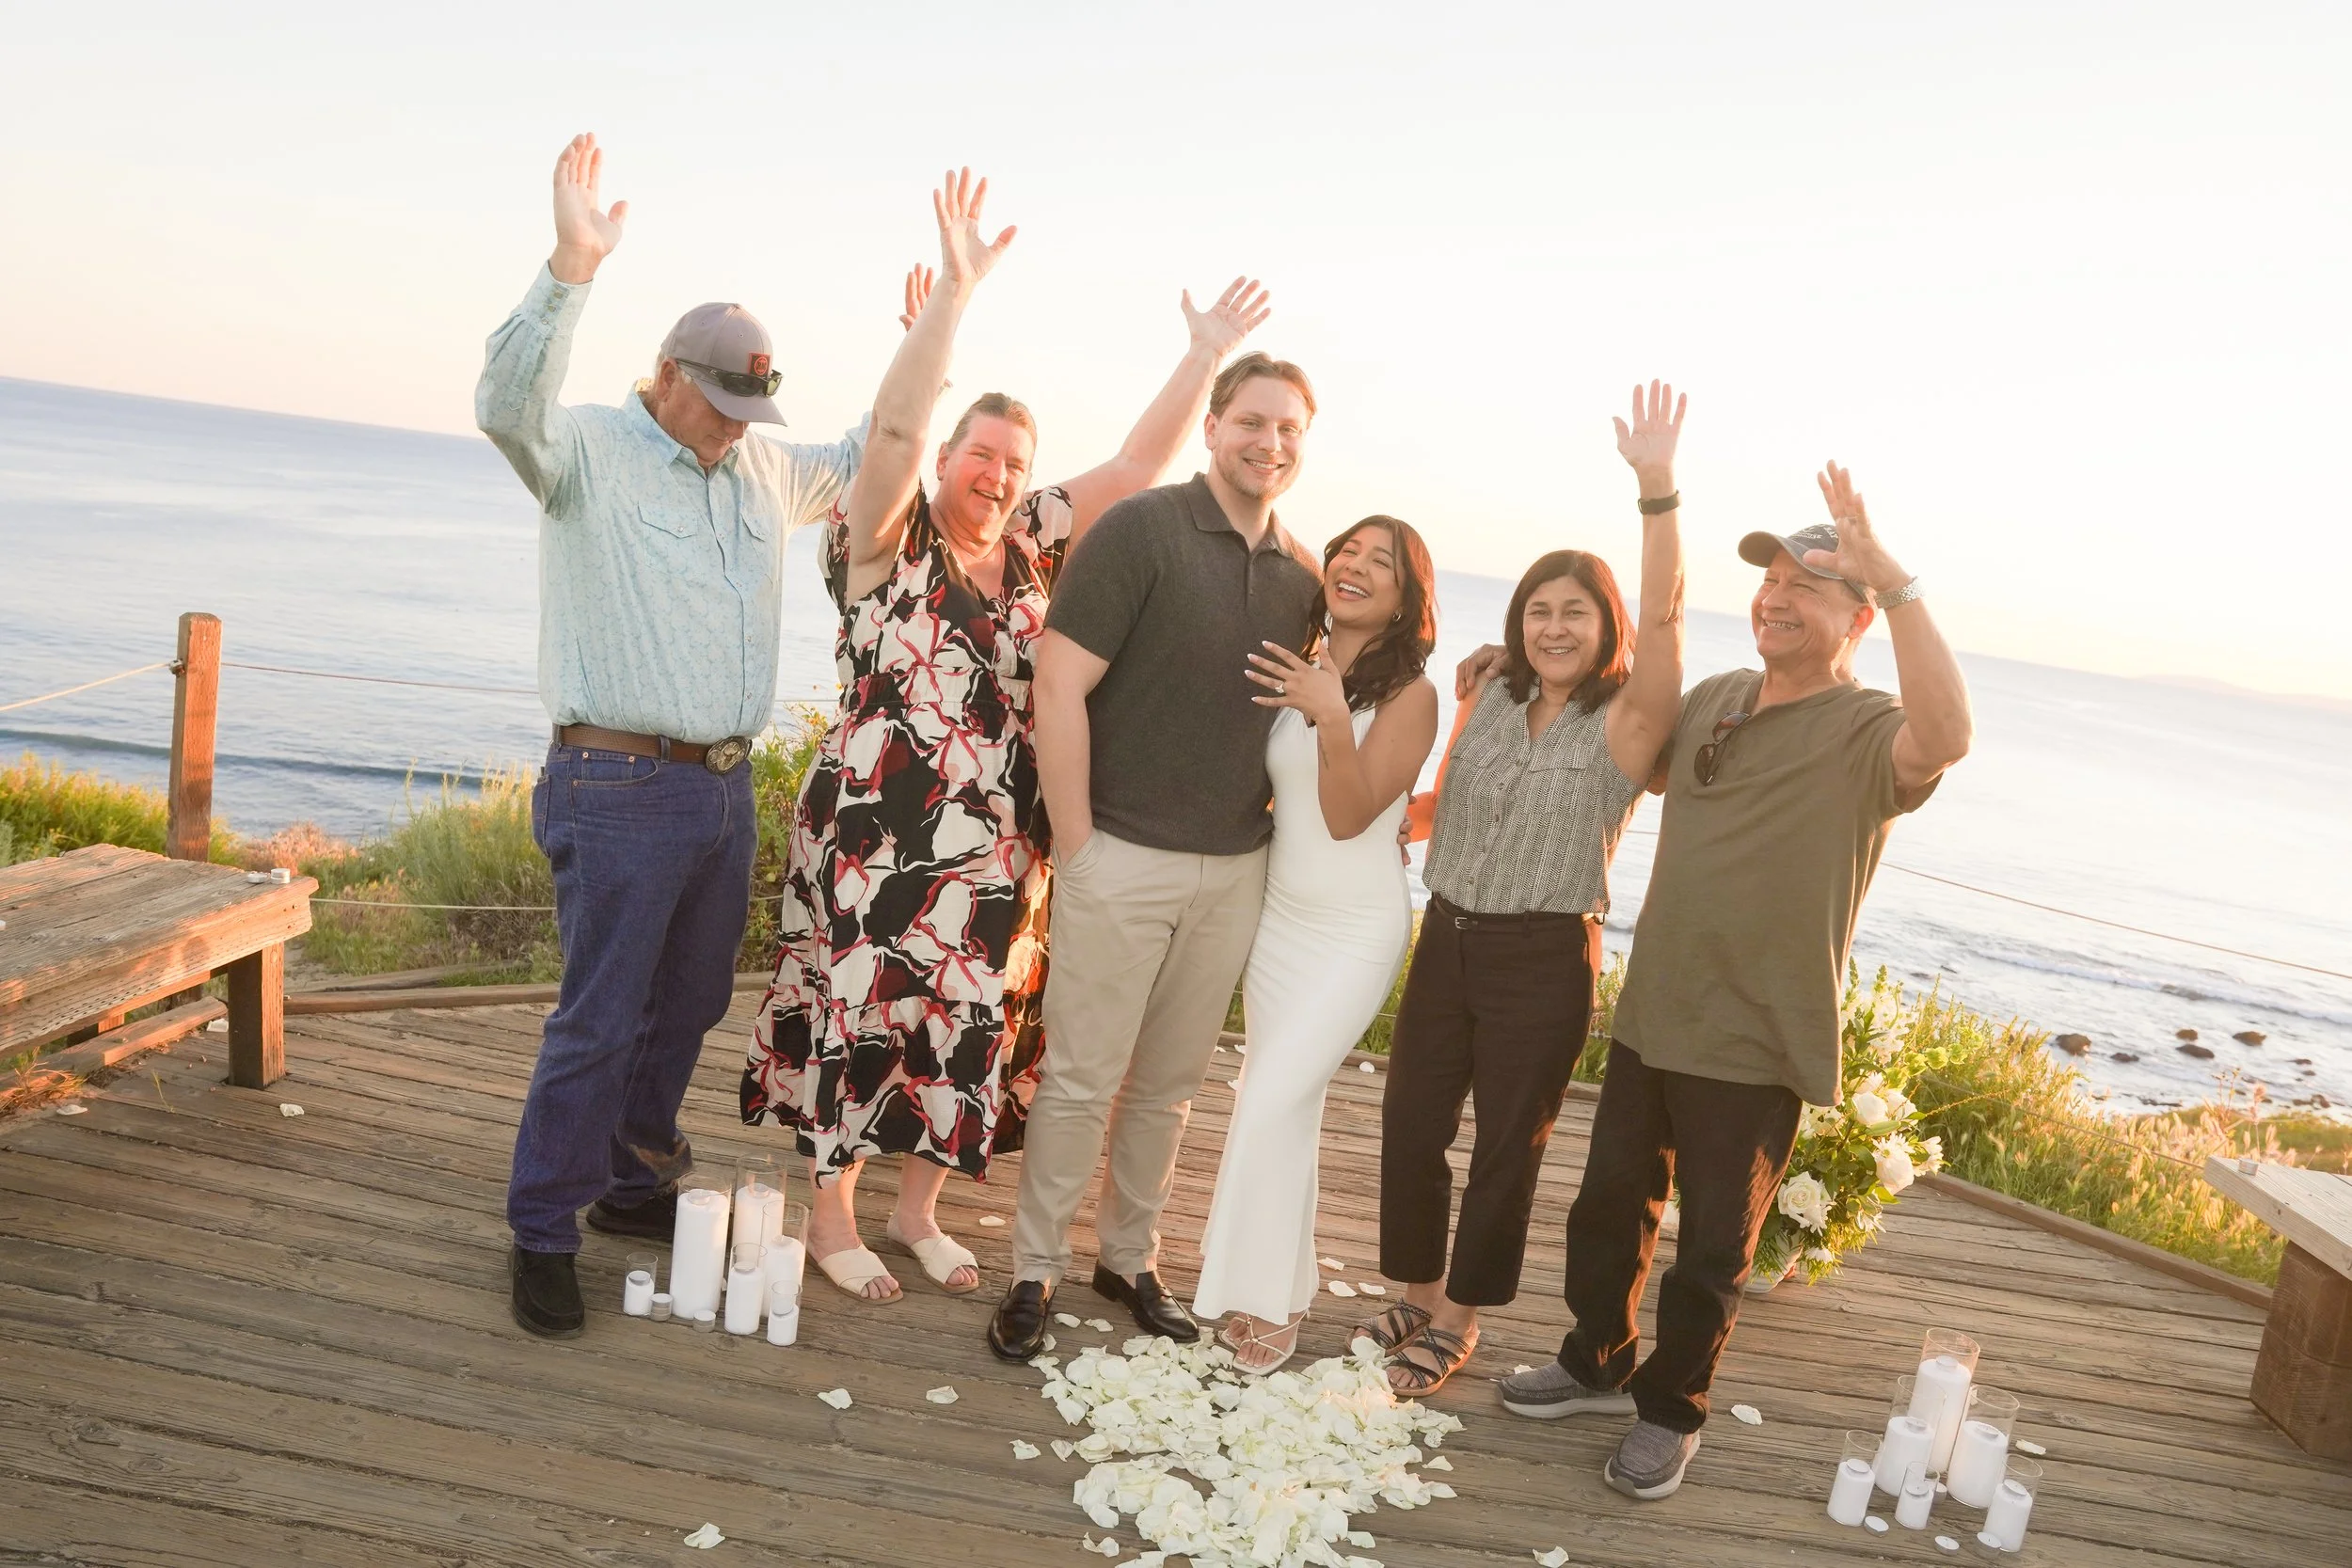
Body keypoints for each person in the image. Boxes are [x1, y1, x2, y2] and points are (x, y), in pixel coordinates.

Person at [742, 167, 1275, 1303]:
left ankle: (918, 1208)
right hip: (875, 837)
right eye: (978, 454)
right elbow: (889, 421)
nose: (995, 476)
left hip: (998, 847)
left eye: (1014, 463)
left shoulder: (1035, 546)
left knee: (967, 1022)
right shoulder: (879, 538)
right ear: (944, 459)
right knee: (858, 1008)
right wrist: (954, 300)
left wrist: (1202, 354)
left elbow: (1134, 470)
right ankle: (831, 1213)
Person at [1496, 460, 1973, 1502]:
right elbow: (1622, 730)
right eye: (1769, 578)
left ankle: (1671, 1412)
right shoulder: (1715, 696)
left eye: (1809, 584)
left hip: (1757, 1035)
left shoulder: (1868, 729)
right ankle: (1594, 1360)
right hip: (1657, 1008)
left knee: (1712, 1245)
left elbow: (1948, 738)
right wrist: (1516, 669)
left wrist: (1898, 582)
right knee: (1608, 1207)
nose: (1776, 595)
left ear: (1856, 617)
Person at [476, 134, 870, 1338]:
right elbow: (503, 404)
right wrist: (569, 265)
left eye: (753, 407)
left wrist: (936, 331)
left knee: (688, 999)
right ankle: (543, 1227)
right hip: (613, 778)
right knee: (599, 1013)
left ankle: (632, 1180)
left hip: (718, 791)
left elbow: (870, 455)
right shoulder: (587, 448)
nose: (735, 427)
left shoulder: (758, 467)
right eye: (721, 402)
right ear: (665, 375)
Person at [985, 351, 1326, 1360]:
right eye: (1252, 421)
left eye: (1289, 430)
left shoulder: (1306, 578)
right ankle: (1034, 1266)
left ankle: (1128, 1258)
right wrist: (1080, 844)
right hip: (1120, 854)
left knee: (1170, 1086)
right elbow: (1057, 684)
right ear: (1215, 426)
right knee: (1083, 1078)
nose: (1269, 443)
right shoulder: (1140, 531)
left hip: (1236, 870)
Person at [1363, 383, 1690, 1396]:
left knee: (1506, 1143)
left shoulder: (1627, 725)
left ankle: (1456, 1318)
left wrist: (1655, 490)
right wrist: (1352, 820)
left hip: (1544, 956)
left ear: (1607, 627)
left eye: (1573, 612)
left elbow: (1670, 618)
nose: (1552, 628)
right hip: (1447, 937)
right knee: (1413, 1121)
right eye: (1537, 610)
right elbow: (1436, 804)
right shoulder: (1489, 691)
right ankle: (1417, 1287)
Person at [1191, 515, 1441, 1372]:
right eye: (1349, 552)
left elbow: (1346, 815)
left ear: (1408, 598)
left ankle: (1260, 1296)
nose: (1358, 568)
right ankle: (1276, 1293)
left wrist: (1334, 717)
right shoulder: (1297, 658)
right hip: (1279, 921)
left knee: (1268, 1102)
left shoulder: (1413, 697)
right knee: (1283, 1106)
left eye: (1384, 563)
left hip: (1351, 930)